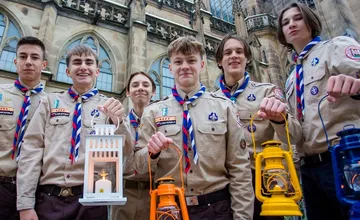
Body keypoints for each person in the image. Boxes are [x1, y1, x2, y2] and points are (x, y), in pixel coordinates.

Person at [134, 36, 254, 220]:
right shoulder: (153, 112)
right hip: (169, 209)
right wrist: (151, 153)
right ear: (170, 67)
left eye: (191, 61)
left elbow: (240, 168)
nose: (185, 66)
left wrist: (243, 217)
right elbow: (139, 167)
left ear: (202, 65)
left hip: (216, 208)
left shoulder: (225, 107)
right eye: (178, 62)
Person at [16, 45, 133, 220]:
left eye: (89, 63)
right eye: (77, 62)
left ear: (97, 71)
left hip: (91, 201)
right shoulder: (49, 102)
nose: (83, 67)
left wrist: (118, 122)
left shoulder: (110, 106)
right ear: (68, 71)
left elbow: (126, 150)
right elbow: (31, 150)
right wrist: (25, 204)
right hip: (49, 199)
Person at [278, 2, 360, 220]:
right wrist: (279, 119)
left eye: (297, 18)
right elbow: (297, 133)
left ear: (311, 22)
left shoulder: (337, 46)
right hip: (310, 167)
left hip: (345, 157)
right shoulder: (291, 79)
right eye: (285, 22)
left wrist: (357, 85)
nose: (291, 25)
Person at [214, 34, 302, 220]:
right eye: (228, 52)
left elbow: (294, 136)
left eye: (239, 51)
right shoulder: (210, 100)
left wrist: (280, 118)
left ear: (248, 59)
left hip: (261, 179)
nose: (234, 56)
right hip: (223, 183)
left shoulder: (267, 91)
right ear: (220, 61)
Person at [0, 36, 48, 220]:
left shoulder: (51, 104)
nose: (28, 62)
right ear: (15, 61)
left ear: (43, 64)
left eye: (35, 57)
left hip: (35, 190)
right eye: (23, 56)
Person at [111, 71, 156, 220]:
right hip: (125, 194)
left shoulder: (161, 122)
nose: (140, 88)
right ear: (128, 92)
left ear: (153, 92)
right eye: (135, 85)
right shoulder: (117, 121)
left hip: (154, 192)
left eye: (145, 85)